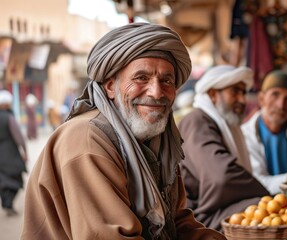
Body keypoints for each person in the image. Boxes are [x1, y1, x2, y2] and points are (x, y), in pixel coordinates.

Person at [21, 23, 226, 240]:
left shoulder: (156, 141)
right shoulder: (88, 140)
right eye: (141, 78)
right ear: (110, 86)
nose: (157, 92)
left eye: (166, 80)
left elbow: (176, 222)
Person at [178, 65, 270, 231]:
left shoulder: (224, 124)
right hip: (197, 218)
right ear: (213, 94)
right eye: (235, 92)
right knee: (265, 208)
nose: (242, 100)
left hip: (217, 208)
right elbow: (221, 176)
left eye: (243, 92)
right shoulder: (197, 120)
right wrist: (268, 196)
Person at [0, 90, 27, 217]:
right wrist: (24, 150)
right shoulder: (9, 117)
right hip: (10, 154)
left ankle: (6, 204)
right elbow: (19, 137)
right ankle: (8, 204)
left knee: (3, 181)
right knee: (15, 179)